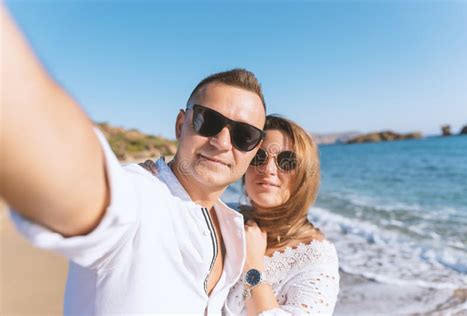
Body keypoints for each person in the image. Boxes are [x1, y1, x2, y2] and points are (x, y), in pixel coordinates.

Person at [1, 6, 266, 315]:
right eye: (208, 121)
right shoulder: (139, 198)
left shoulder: (231, 226)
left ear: (253, 150)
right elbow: (60, 163)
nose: (222, 142)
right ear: (181, 124)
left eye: (243, 135)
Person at [141, 115, 340, 315]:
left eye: (286, 161)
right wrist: (153, 182)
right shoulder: (222, 215)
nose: (268, 169)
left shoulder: (316, 258)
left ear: (305, 174)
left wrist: (253, 268)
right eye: (259, 157)